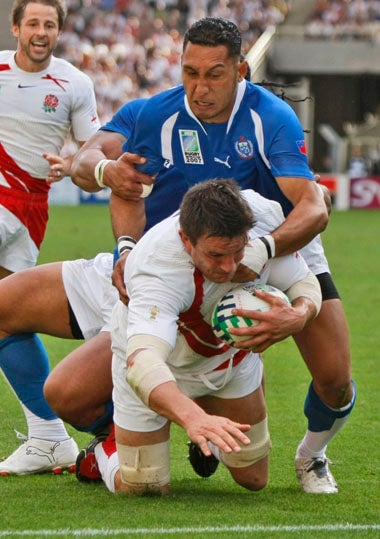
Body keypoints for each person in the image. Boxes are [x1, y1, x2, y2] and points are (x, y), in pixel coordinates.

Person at [70, 17, 354, 494]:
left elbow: (314, 208)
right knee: (77, 385)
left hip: (278, 241)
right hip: (189, 256)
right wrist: (105, 176)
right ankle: (168, 427)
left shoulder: (271, 116)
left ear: (241, 69)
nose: (200, 87)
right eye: (190, 72)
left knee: (336, 380)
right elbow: (88, 162)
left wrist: (266, 254)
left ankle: (312, 456)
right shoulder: (155, 114)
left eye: (214, 74)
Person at [80, 179, 322, 495]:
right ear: (186, 239)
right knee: (143, 487)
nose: (229, 266)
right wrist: (195, 419)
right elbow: (143, 364)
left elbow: (303, 281)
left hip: (227, 360)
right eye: (216, 255)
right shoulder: (157, 268)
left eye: (237, 252)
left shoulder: (261, 216)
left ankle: (211, 428)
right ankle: (105, 450)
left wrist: (300, 315)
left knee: (254, 479)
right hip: (157, 367)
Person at [0, 0, 100, 474]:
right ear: (16, 27)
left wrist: (77, 168)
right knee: (6, 318)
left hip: (27, 207)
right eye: (33, 23)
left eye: (50, 25)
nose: (41, 32)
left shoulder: (75, 84)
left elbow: (93, 154)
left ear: (58, 31)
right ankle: (48, 438)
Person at [0, 251, 118, 475]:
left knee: (65, 392)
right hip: (115, 269)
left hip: (163, 284)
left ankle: (121, 433)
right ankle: (48, 439)